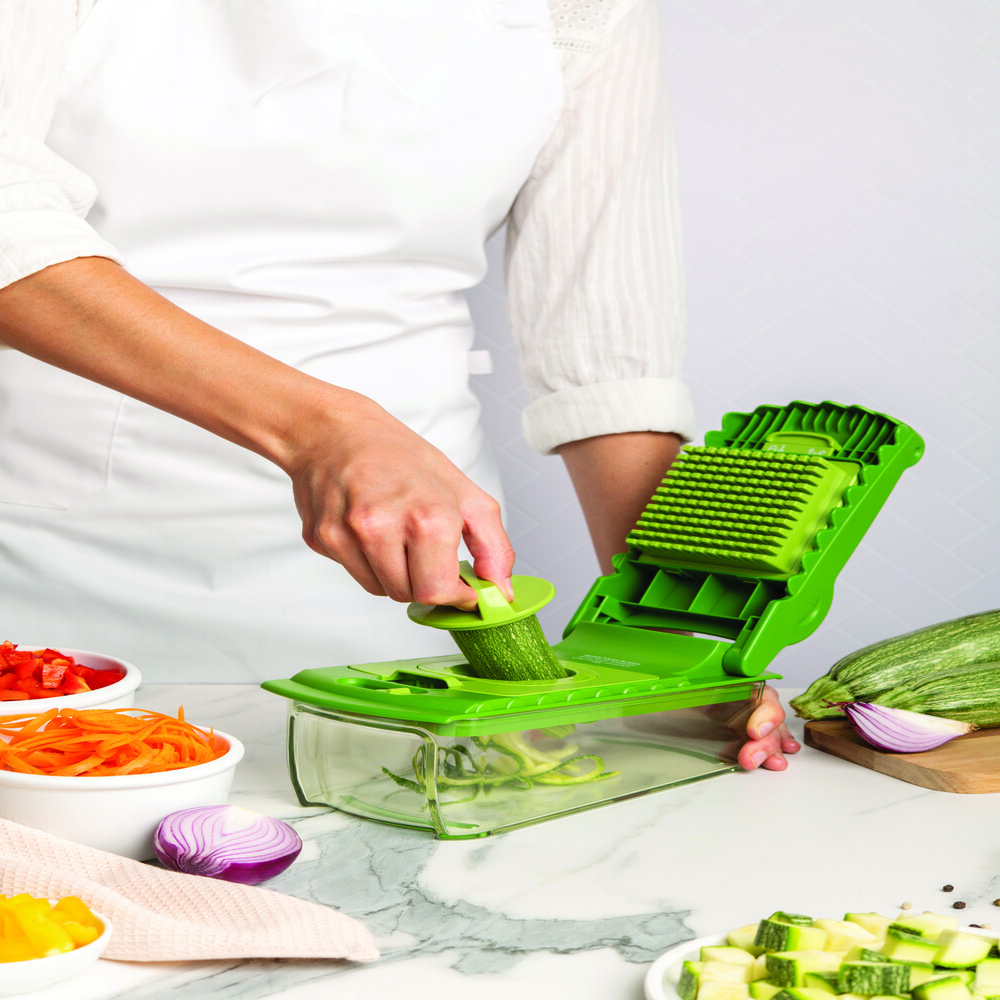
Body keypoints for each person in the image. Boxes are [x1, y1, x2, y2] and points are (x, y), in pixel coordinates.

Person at [0, 0, 798, 770]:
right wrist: (325, 428)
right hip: (70, 567)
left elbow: (610, 356)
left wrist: (678, 650)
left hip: (413, 573)